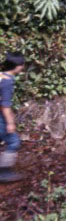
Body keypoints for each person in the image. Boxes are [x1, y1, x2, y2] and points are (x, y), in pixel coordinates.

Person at [0, 52, 25, 183]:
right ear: (17, 67)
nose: (23, 67)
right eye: (22, 65)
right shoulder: (8, 81)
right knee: (14, 142)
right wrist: (10, 122)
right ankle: (3, 173)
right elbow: (5, 105)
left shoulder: (1, 76)